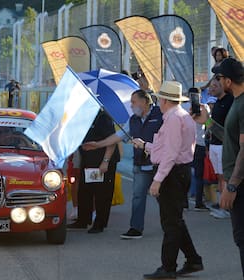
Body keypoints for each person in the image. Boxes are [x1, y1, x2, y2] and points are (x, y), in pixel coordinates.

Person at [132, 81, 203, 279]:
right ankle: (193, 260)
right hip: (179, 171)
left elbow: (170, 153)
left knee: (170, 223)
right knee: (175, 221)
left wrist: (158, 180)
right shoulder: (182, 116)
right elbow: (171, 149)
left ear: (163, 100)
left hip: (172, 173)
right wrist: (146, 145)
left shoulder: (173, 119)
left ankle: (168, 267)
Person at [83, 89, 163, 239]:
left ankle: (170, 225)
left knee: (163, 197)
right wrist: (98, 145)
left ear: (145, 102)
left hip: (159, 165)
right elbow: (117, 136)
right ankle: (136, 228)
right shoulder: (133, 120)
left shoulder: (160, 115)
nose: (132, 106)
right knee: (138, 197)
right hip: (140, 164)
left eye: (134, 102)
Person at [193, 57, 244, 277]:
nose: (217, 81)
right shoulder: (237, 102)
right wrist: (206, 122)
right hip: (237, 182)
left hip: (240, 184)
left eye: (219, 77)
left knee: (242, 238)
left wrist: (231, 186)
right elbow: (230, 139)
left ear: (228, 81)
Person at [68, 110, 120, 233]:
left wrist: (106, 161)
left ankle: (99, 224)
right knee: (85, 191)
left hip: (102, 161)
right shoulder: (84, 116)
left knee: (102, 193)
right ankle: (83, 220)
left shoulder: (103, 118)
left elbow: (111, 141)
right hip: (88, 160)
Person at [207, 76, 234, 219]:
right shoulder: (216, 103)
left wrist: (207, 121)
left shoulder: (230, 101)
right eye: (211, 86)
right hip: (214, 144)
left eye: (215, 86)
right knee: (219, 176)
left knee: (225, 176)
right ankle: (221, 203)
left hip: (225, 145)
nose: (211, 88)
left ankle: (226, 206)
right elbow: (210, 124)